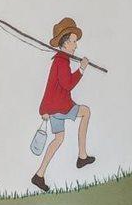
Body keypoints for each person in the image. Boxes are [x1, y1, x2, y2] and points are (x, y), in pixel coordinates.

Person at [30, 16, 94, 190]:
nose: (76, 45)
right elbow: (68, 84)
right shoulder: (61, 61)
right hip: (61, 106)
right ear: (65, 43)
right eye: (73, 41)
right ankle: (82, 156)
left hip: (54, 107)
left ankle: (39, 174)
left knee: (59, 138)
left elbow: (51, 87)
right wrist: (81, 69)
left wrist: (44, 109)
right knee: (86, 112)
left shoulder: (61, 59)